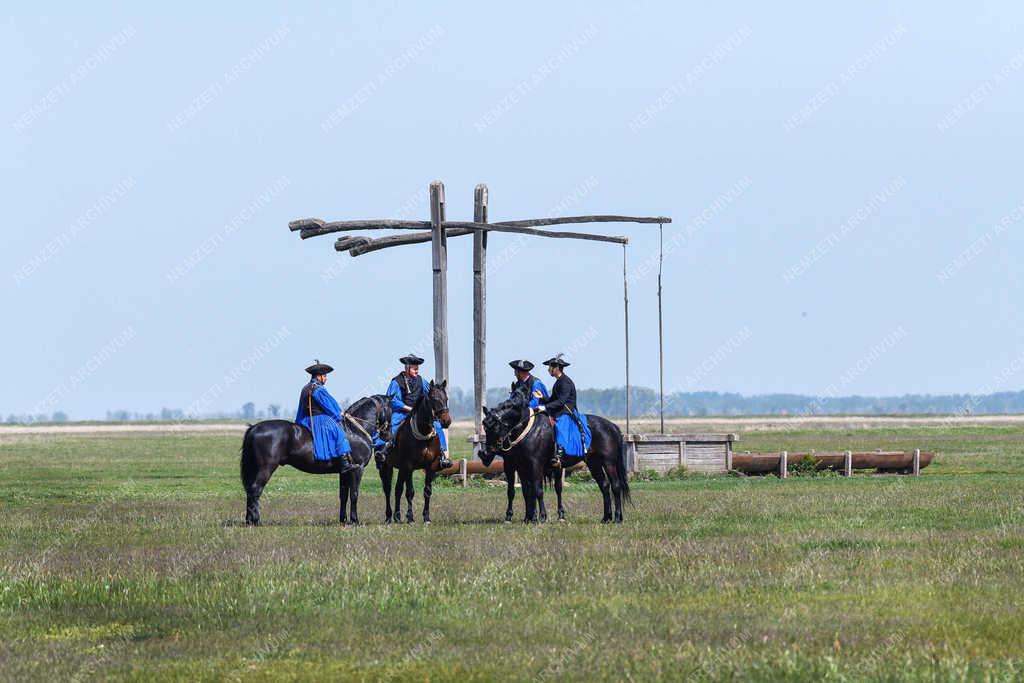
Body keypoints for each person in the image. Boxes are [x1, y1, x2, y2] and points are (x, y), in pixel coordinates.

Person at [385, 353, 451, 469]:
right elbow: (393, 400)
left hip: (417, 413)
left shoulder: (422, 381)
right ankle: (388, 450)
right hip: (401, 413)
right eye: (414, 369)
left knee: (437, 425)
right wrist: (408, 408)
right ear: (407, 368)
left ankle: (442, 455)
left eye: (417, 369)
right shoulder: (396, 382)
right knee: (394, 425)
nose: (416, 371)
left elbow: (430, 394)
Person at [295, 360, 356, 473]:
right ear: (319, 376)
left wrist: (298, 422)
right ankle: (344, 464)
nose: (326, 378)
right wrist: (338, 414)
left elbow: (300, 408)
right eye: (325, 376)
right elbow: (329, 404)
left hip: (305, 420)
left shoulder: (305, 388)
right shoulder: (318, 389)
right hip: (319, 419)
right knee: (339, 431)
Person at [533, 353, 591, 469]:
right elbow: (553, 400)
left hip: (566, 412)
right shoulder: (558, 381)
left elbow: (561, 401)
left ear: (556, 368)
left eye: (550, 367)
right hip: (559, 410)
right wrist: (542, 398)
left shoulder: (565, 382)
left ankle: (559, 454)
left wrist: (545, 407)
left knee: (559, 424)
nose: (549, 369)